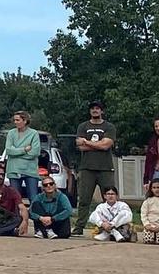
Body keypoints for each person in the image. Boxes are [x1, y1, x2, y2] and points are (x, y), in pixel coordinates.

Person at [73, 102, 118, 232]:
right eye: (92, 108)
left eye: (97, 108)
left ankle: (112, 226)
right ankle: (79, 227)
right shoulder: (83, 126)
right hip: (87, 167)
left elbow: (106, 145)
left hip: (105, 168)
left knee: (110, 198)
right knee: (84, 199)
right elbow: (80, 146)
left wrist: (87, 142)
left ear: (102, 111)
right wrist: (98, 144)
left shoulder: (109, 127)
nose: (95, 110)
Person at [2, 110, 42, 208]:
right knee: (14, 198)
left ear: (25, 121)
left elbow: (35, 152)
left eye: (18, 120)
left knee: (33, 198)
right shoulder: (11, 133)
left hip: (30, 170)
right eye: (14, 120)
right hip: (14, 169)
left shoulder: (34, 134)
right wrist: (24, 149)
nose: (15, 122)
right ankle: (15, 220)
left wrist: (16, 152)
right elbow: (8, 150)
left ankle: (37, 219)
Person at [28, 164, 73, 242]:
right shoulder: (38, 197)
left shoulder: (62, 196)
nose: (49, 186)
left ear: (55, 185)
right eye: (45, 185)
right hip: (42, 221)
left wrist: (53, 219)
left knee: (65, 234)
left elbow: (69, 210)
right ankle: (44, 230)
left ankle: (47, 231)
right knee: (36, 205)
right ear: (43, 188)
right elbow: (31, 211)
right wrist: (41, 218)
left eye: (51, 184)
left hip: (56, 220)